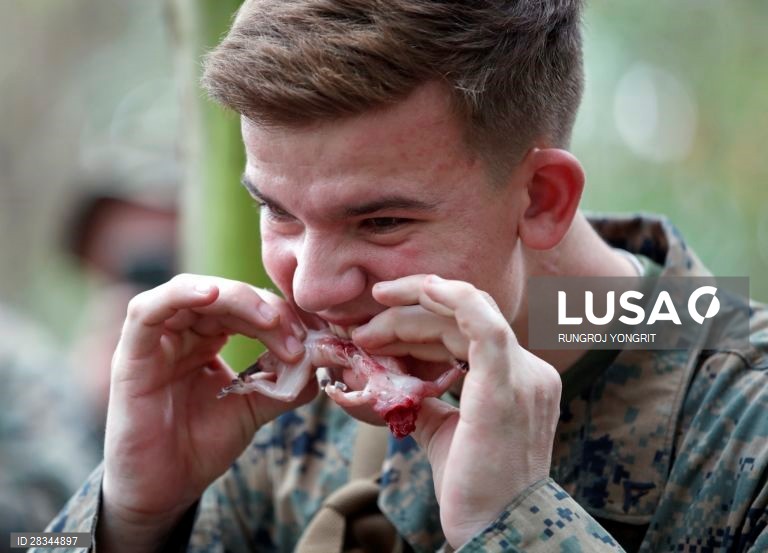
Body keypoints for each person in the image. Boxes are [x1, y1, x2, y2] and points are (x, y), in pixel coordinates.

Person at [39, 1, 768, 552]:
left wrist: (518, 525)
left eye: (382, 222)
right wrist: (128, 514)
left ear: (541, 199)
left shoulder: (743, 423)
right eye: (278, 211)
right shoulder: (286, 399)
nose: (314, 288)